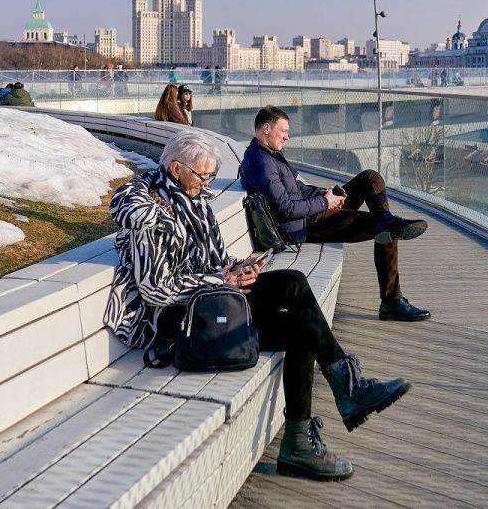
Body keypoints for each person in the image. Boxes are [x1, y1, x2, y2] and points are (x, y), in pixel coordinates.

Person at [104, 131, 411, 481]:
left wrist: (236, 268)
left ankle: (314, 425)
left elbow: (212, 261)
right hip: (178, 321)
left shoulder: (194, 199)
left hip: (210, 300)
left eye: (209, 176)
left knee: (293, 284)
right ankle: (326, 415)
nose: (206, 183)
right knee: (301, 326)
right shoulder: (151, 217)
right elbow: (156, 289)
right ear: (176, 168)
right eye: (201, 176)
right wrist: (222, 282)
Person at [241, 106, 431, 322]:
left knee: (370, 178)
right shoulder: (261, 162)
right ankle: (392, 301)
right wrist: (324, 202)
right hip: (304, 226)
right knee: (387, 228)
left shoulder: (271, 155)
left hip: (311, 212)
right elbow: (286, 209)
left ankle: (385, 221)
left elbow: (297, 189)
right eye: (283, 130)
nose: (287, 136)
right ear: (266, 128)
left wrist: (323, 193)